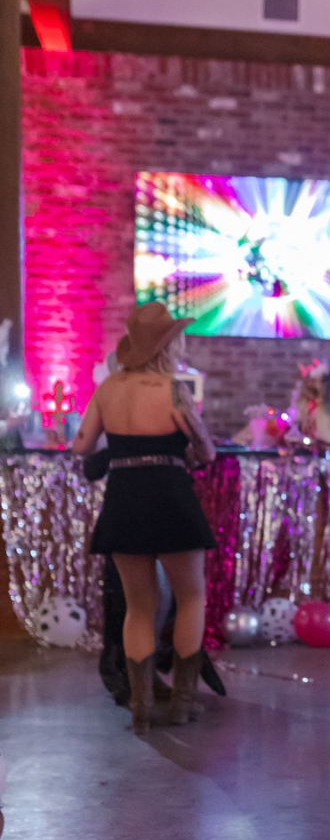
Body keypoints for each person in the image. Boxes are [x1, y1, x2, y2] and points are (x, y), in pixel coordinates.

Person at [73, 302, 217, 733]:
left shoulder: (108, 388)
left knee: (138, 607)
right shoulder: (173, 389)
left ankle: (141, 707)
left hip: (124, 499)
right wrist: (189, 451)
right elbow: (206, 451)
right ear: (166, 345)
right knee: (191, 597)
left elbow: (81, 446)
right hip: (171, 497)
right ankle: (183, 703)